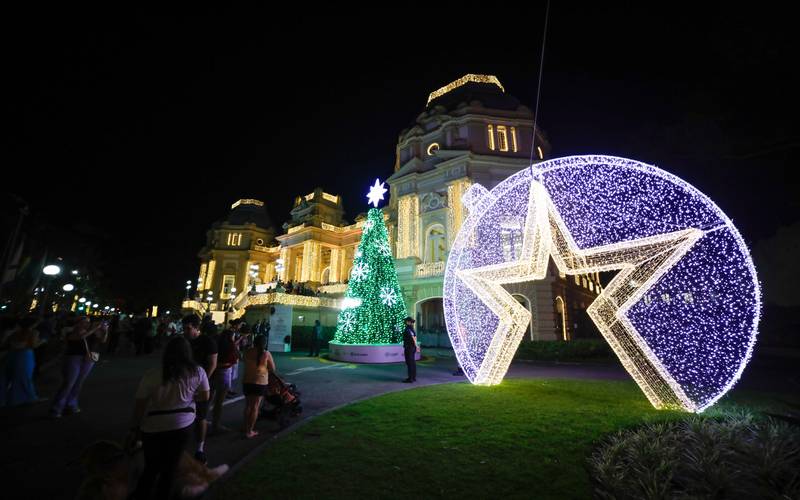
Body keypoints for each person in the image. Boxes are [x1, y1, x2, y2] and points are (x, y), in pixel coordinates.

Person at [129, 336, 210, 499]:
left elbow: (140, 404)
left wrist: (134, 427)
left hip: (153, 425)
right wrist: (191, 397)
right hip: (182, 423)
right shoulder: (197, 371)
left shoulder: (153, 374)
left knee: (151, 467)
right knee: (170, 468)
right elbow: (205, 396)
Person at [50, 316, 109, 417]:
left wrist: (105, 330)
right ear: (77, 323)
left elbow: (102, 340)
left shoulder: (92, 331)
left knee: (79, 383)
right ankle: (57, 408)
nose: (86, 324)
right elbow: (81, 337)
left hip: (89, 359)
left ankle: (71, 404)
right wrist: (95, 328)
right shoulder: (70, 331)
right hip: (74, 358)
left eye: (88, 322)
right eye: (84, 322)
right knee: (69, 383)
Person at [181, 314, 216, 463]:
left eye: (188, 328)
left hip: (204, 384)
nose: (185, 331)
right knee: (183, 414)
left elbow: (212, 364)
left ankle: (200, 448)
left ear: (196, 328)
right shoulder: (184, 342)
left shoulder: (208, 342)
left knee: (201, 416)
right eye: (184, 328)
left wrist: (203, 382)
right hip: (184, 383)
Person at [0, 315, 41, 406]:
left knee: (8, 377)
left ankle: (5, 398)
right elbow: (33, 345)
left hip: (12, 355)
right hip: (25, 355)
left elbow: (6, 344)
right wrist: (41, 342)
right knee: (24, 376)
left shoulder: (14, 333)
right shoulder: (33, 333)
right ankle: (23, 397)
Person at [210, 319, 242, 433]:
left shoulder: (217, 345)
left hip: (214, 372)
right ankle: (216, 425)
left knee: (209, 397)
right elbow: (238, 357)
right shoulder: (231, 347)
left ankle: (202, 419)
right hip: (224, 372)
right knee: (219, 401)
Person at [241, 335, 275, 438]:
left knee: (248, 406)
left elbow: (243, 360)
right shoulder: (266, 353)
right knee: (255, 407)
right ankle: (249, 431)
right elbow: (273, 368)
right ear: (264, 343)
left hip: (247, 381)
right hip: (259, 382)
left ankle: (245, 426)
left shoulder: (247, 351)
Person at [402, 316, 419, 383]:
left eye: (406, 321)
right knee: (412, 363)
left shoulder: (408, 329)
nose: (405, 322)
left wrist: (416, 346)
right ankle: (413, 377)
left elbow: (413, 338)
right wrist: (416, 346)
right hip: (411, 347)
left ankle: (410, 378)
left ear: (409, 322)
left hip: (409, 348)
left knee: (410, 363)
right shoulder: (411, 328)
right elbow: (414, 337)